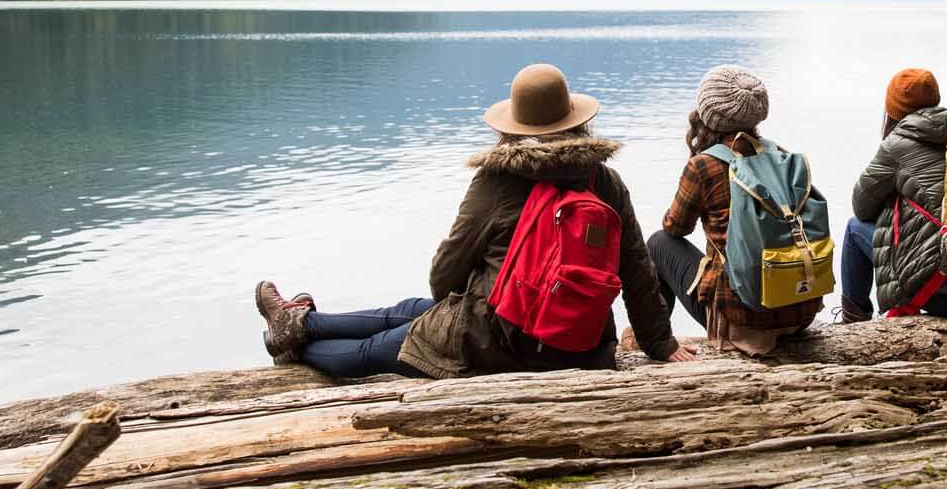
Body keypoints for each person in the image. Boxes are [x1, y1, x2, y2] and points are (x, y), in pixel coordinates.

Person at [254, 63, 695, 378]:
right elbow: (636, 268)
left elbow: (444, 276)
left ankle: (294, 346)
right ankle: (298, 322)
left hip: (500, 342)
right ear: (576, 122)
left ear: (514, 126)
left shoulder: (498, 180)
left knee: (375, 351)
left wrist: (459, 304)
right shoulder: (605, 181)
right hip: (584, 345)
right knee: (409, 312)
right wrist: (661, 344)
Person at [647, 66, 822, 355]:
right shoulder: (781, 156)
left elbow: (675, 227)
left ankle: (658, 343)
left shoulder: (703, 165)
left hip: (743, 321)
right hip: (799, 313)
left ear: (709, 113)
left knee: (658, 243)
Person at [841, 68, 947, 320]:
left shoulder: (895, 146)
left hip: (943, 294)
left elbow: (861, 208)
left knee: (854, 229)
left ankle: (854, 322)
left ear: (893, 110)